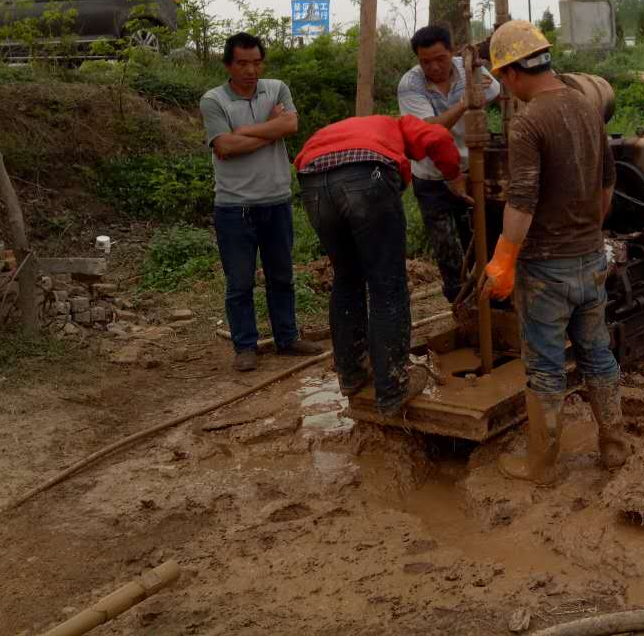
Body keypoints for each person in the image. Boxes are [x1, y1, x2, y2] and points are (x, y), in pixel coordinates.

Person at [479, 19, 629, 484]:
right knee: (597, 353)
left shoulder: (529, 123)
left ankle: (542, 467)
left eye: (503, 80)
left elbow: (521, 203)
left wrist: (503, 260)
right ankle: (614, 448)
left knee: (544, 365)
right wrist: (587, 232)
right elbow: (607, 185)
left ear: (511, 73)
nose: (507, 89)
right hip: (590, 259)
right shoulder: (586, 108)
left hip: (545, 269)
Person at [295, 113, 468, 417]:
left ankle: (351, 375)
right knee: (387, 284)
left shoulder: (346, 127)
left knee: (347, 278)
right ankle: (392, 388)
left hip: (313, 182)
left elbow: (301, 158)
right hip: (366, 176)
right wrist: (453, 175)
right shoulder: (401, 124)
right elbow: (438, 138)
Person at [201, 32, 326, 372]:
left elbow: (292, 124)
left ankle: (287, 338)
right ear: (228, 65)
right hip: (234, 207)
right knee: (239, 282)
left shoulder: (277, 87)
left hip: (276, 201)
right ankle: (245, 346)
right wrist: (270, 127)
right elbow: (224, 148)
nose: (250, 70)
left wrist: (245, 132)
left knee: (281, 275)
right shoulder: (213, 100)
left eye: (256, 62)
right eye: (242, 63)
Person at [397, 24, 501, 303]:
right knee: (446, 249)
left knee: (480, 240)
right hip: (432, 178)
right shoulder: (410, 84)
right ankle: (460, 306)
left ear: (452, 51)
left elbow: (499, 92)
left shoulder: (471, 68)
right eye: (425, 61)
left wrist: (484, 91)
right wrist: (464, 102)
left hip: (472, 171)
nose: (433, 67)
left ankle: (490, 300)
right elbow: (430, 131)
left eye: (439, 58)